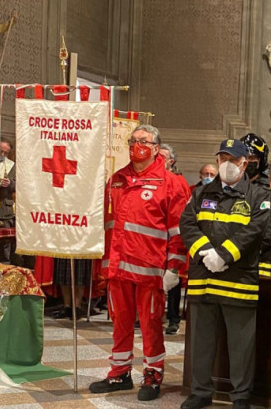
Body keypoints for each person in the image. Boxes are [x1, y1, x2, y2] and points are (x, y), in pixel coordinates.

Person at [89, 124, 189, 402]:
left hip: (150, 269)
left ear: (156, 147)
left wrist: (174, 267)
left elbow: (179, 231)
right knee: (120, 322)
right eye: (133, 140)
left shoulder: (171, 183)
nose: (137, 145)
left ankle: (153, 374)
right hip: (118, 268)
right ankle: (119, 373)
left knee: (150, 324)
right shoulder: (118, 179)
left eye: (143, 141)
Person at [180, 139, 271, 409]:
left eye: (233, 160)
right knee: (201, 342)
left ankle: (241, 396)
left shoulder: (259, 196)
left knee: (241, 346)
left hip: (238, 281)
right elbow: (187, 223)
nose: (227, 165)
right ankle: (200, 391)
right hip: (204, 279)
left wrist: (224, 255)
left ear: (245, 163)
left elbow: (255, 230)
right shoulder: (200, 193)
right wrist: (206, 251)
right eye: (222, 159)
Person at [239, 133, 271, 279]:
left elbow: (270, 230)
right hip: (230, 257)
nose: (248, 162)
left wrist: (243, 249)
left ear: (261, 160)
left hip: (260, 261)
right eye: (245, 157)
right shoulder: (232, 186)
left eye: (253, 158)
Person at [159, 143, 191, 335]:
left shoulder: (179, 182)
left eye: (162, 157)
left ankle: (173, 318)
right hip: (155, 241)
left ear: (171, 161)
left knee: (173, 282)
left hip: (173, 239)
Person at [0, 138, 16, 263]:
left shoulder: (12, 165)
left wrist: (10, 183)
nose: (2, 155)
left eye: (5, 153)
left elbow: (20, 184)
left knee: (5, 244)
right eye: (0, 151)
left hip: (5, 209)